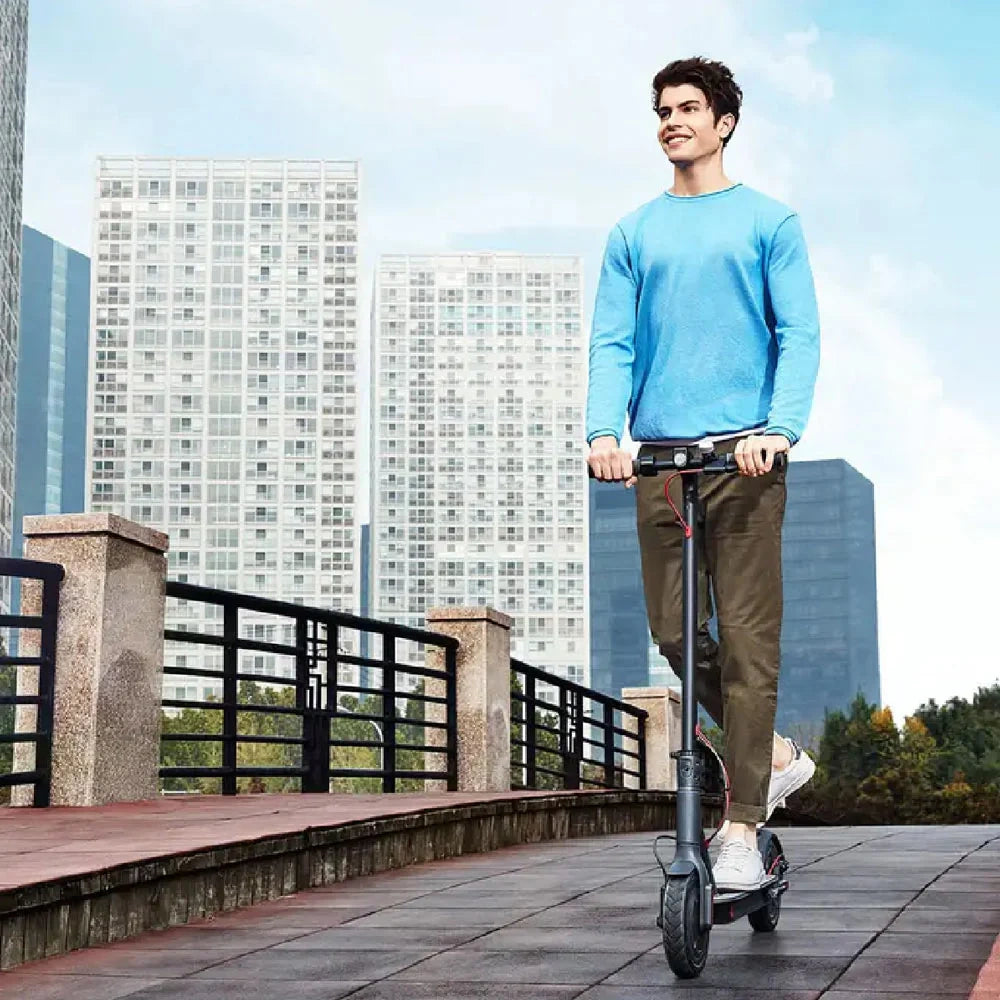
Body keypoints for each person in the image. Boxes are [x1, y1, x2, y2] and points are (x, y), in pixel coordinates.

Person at [586, 57, 820, 891]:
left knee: (751, 642)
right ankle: (779, 757)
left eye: (688, 108)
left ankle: (742, 828)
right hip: (659, 459)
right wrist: (601, 432)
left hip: (745, 457)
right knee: (674, 629)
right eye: (662, 110)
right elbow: (613, 344)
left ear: (724, 123)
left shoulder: (769, 222)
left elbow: (798, 334)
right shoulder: (632, 234)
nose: (671, 120)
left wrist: (780, 430)